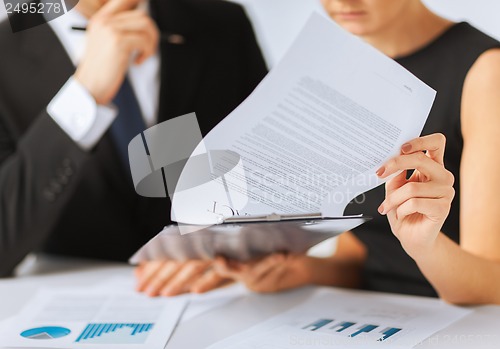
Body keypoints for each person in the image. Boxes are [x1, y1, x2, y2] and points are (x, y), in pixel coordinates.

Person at [136, 0, 500, 305]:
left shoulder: (486, 72)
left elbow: (490, 287)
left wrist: (425, 247)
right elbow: (364, 256)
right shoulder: (352, 63)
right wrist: (299, 270)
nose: (342, 2)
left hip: (450, 320)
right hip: (368, 315)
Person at [0, 0, 267, 277]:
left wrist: (229, 255)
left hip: (215, 291)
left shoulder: (223, 24)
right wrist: (85, 93)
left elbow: (270, 175)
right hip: (76, 296)